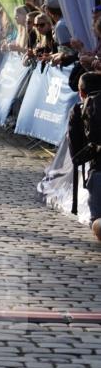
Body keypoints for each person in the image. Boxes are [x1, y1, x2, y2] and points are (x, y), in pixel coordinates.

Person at [68, 71, 101, 242]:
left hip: (99, 172)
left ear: (81, 92)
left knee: (96, 223)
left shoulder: (80, 110)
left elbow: (76, 155)